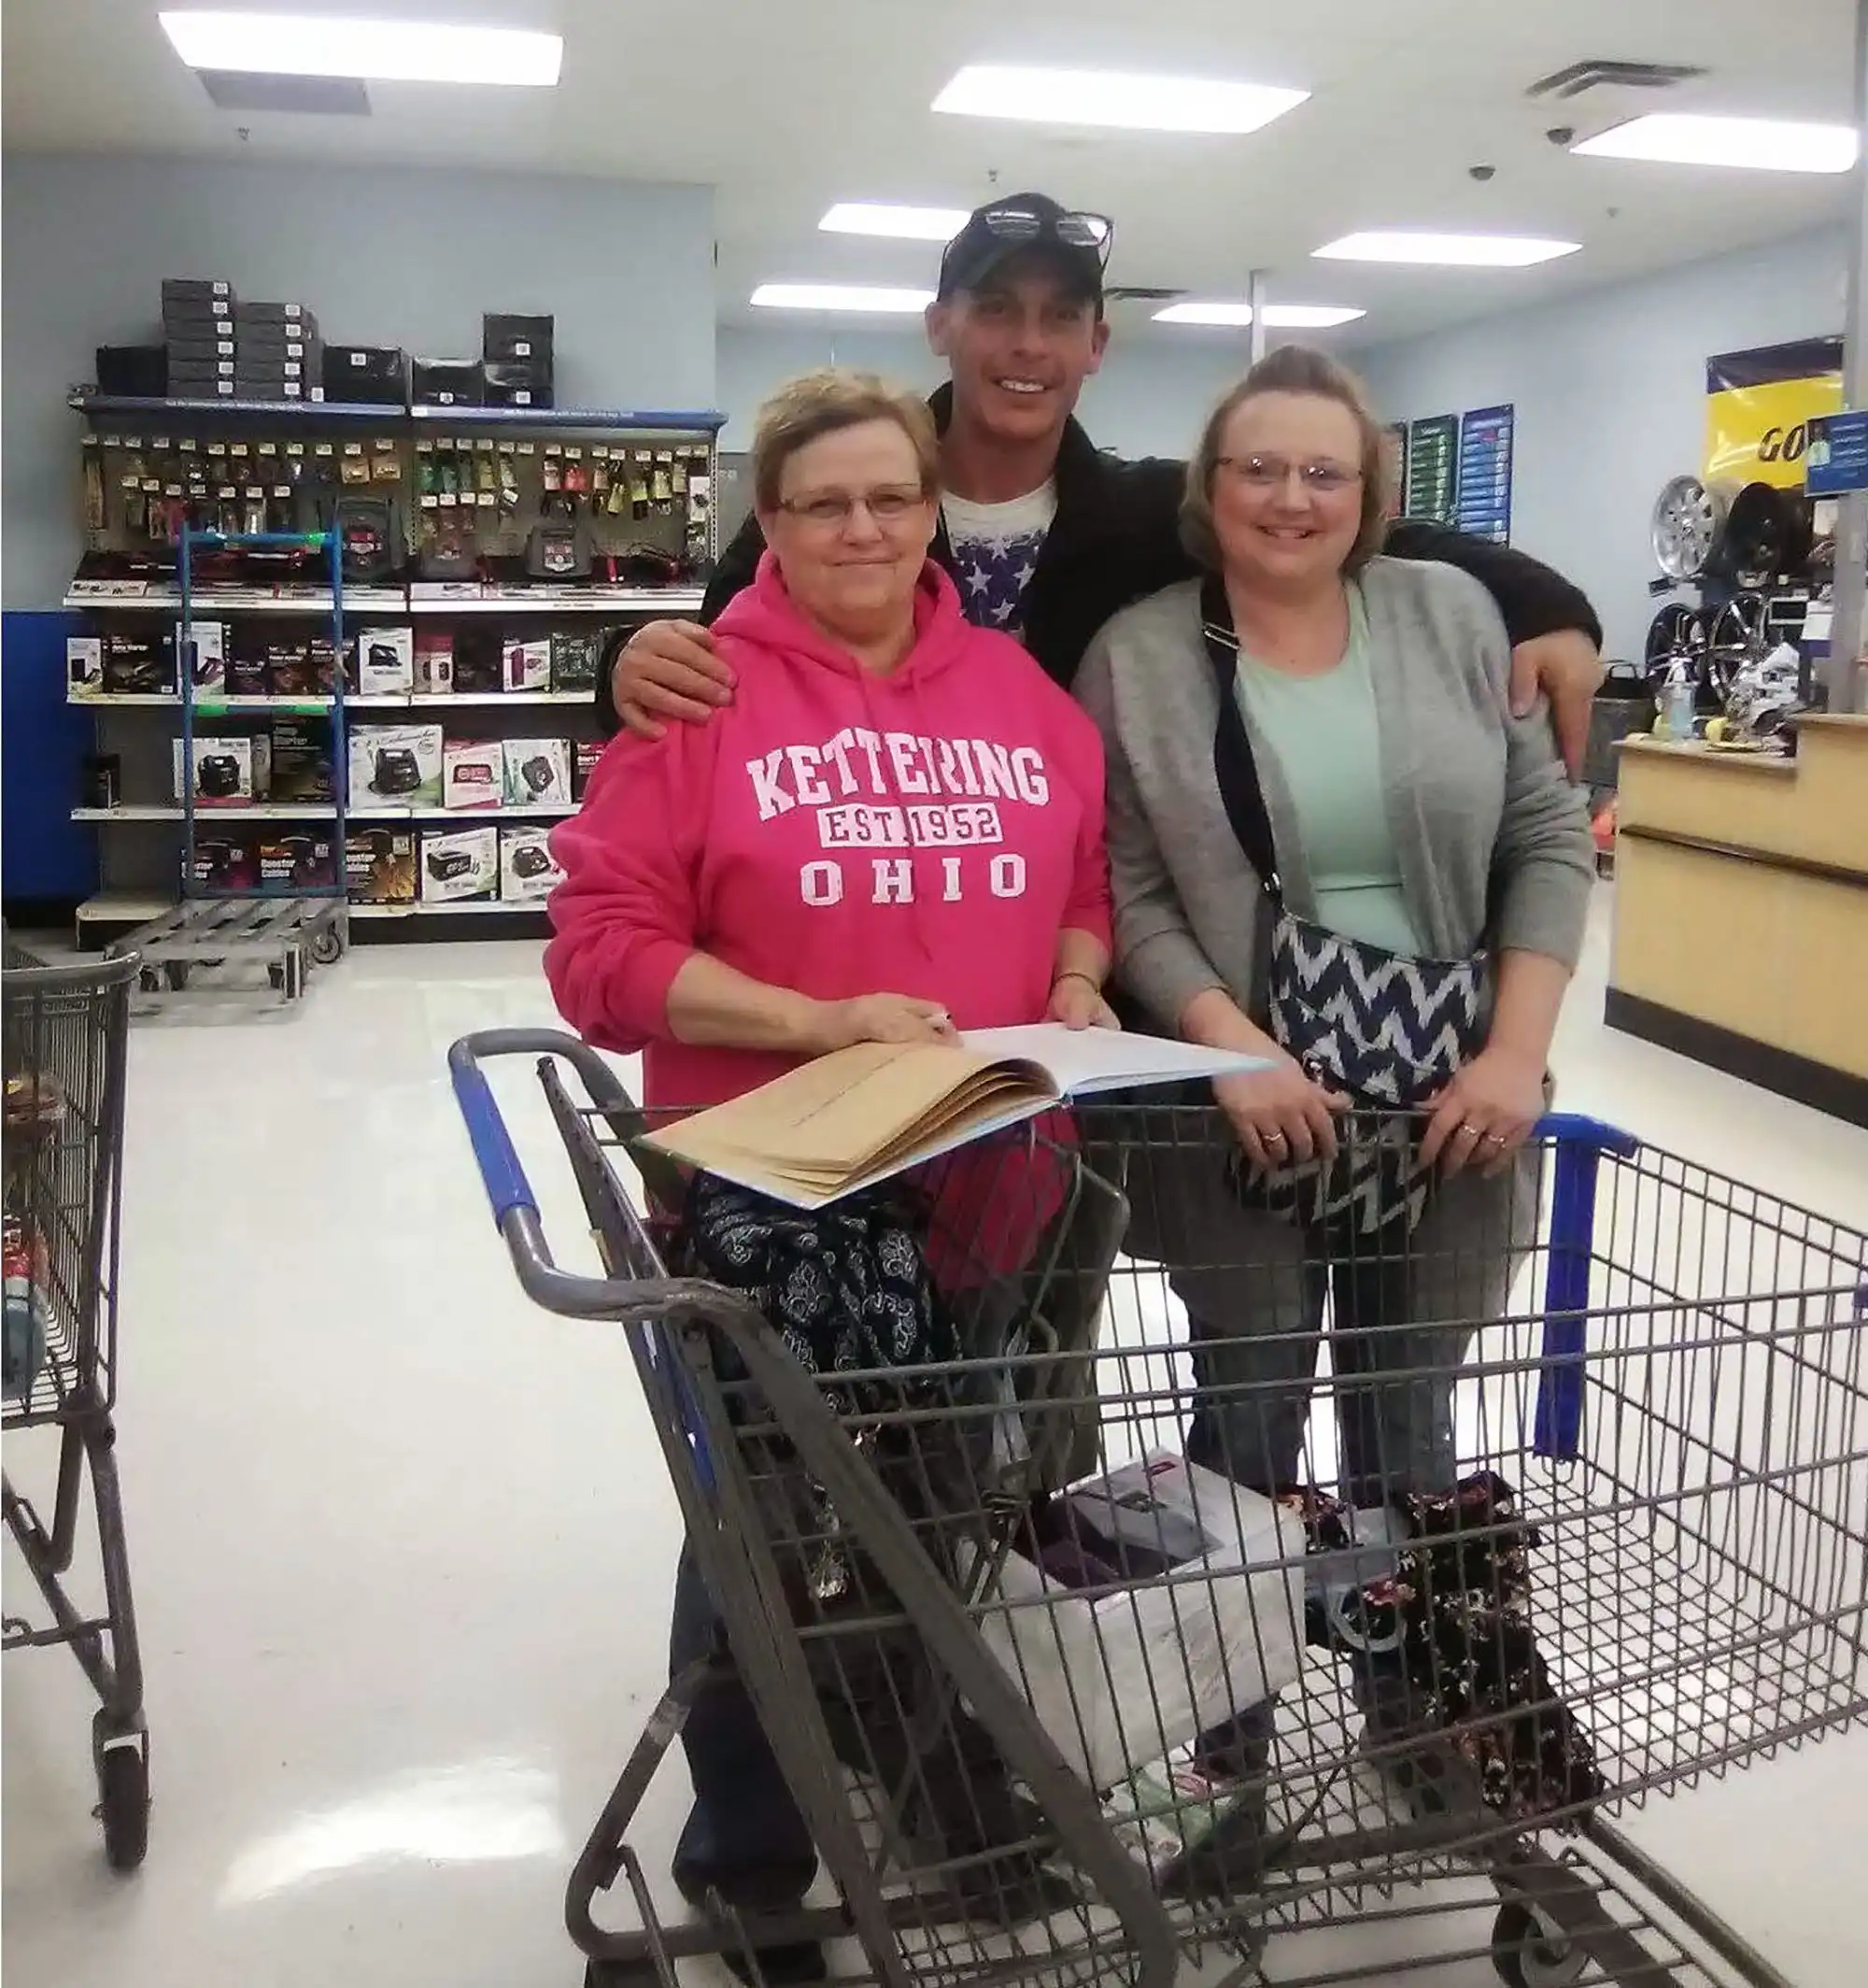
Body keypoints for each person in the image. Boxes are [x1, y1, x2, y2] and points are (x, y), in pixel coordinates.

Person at [545, 367, 1114, 1981]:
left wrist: (1077, 974)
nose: (862, 526)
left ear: (936, 509)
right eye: (821, 502)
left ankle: (928, 1778)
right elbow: (601, 954)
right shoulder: (695, 698)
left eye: (891, 496)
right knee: (764, 1523)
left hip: (994, 1177)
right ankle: (745, 1856)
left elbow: (1087, 864)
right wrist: (815, 1018)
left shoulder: (1018, 690)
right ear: (769, 525)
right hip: (771, 1198)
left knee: (941, 1500)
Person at [1075, 338, 1593, 1524]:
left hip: (1451, 1089)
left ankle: (1401, 1678)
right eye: (1259, 469)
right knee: (1245, 1411)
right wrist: (1231, 1046)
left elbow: (1545, 839)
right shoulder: (1137, 654)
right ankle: (1234, 1698)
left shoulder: (1451, 614)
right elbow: (1132, 890)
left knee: (1409, 1413)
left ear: (1369, 498)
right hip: (1242, 1102)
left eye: (1325, 474)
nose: (1291, 500)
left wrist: (1514, 1055)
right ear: (1207, 488)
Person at [600, 192, 1606, 783]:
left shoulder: (1143, 513)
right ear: (939, 324)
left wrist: (1549, 608)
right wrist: (622, 663)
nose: (1027, 344)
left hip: (1086, 929)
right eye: (995, 308)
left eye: (1058, 316)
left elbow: (1355, 529)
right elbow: (707, 651)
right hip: (867, 901)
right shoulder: (848, 505)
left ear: (1097, 344)